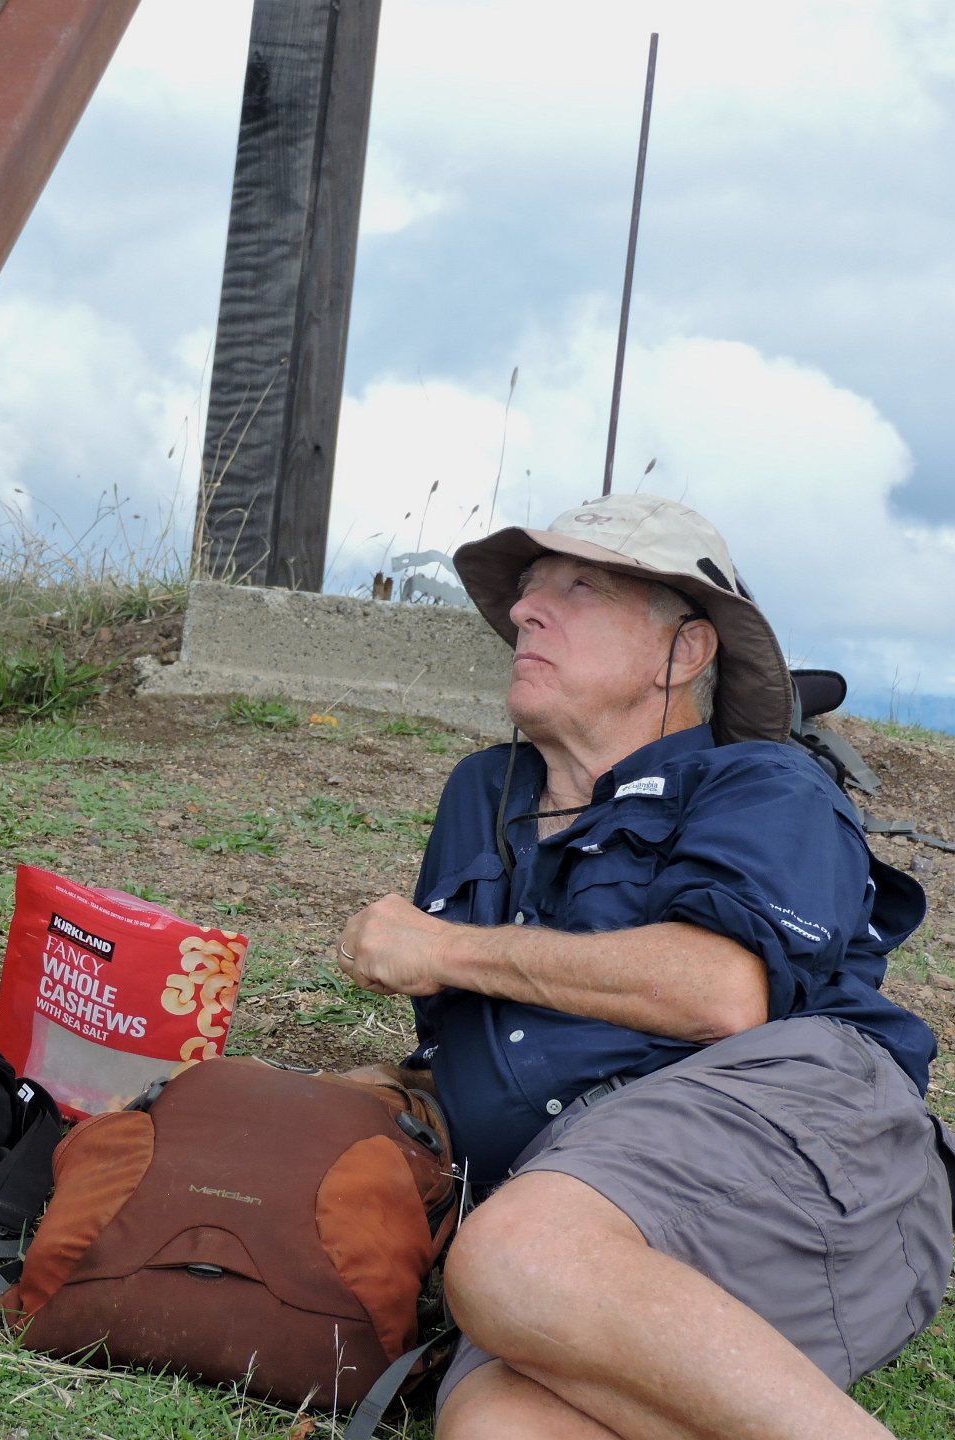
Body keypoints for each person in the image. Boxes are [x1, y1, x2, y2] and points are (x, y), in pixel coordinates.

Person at [334, 495, 952, 1439]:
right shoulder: (481, 794)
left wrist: (444, 947)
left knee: (517, 1256)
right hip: (577, 1185)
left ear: (685, 651)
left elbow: (721, 992)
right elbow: (487, 1042)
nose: (525, 612)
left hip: (789, 1132)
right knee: (496, 1426)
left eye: (579, 588)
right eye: (527, 591)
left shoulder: (762, 781)